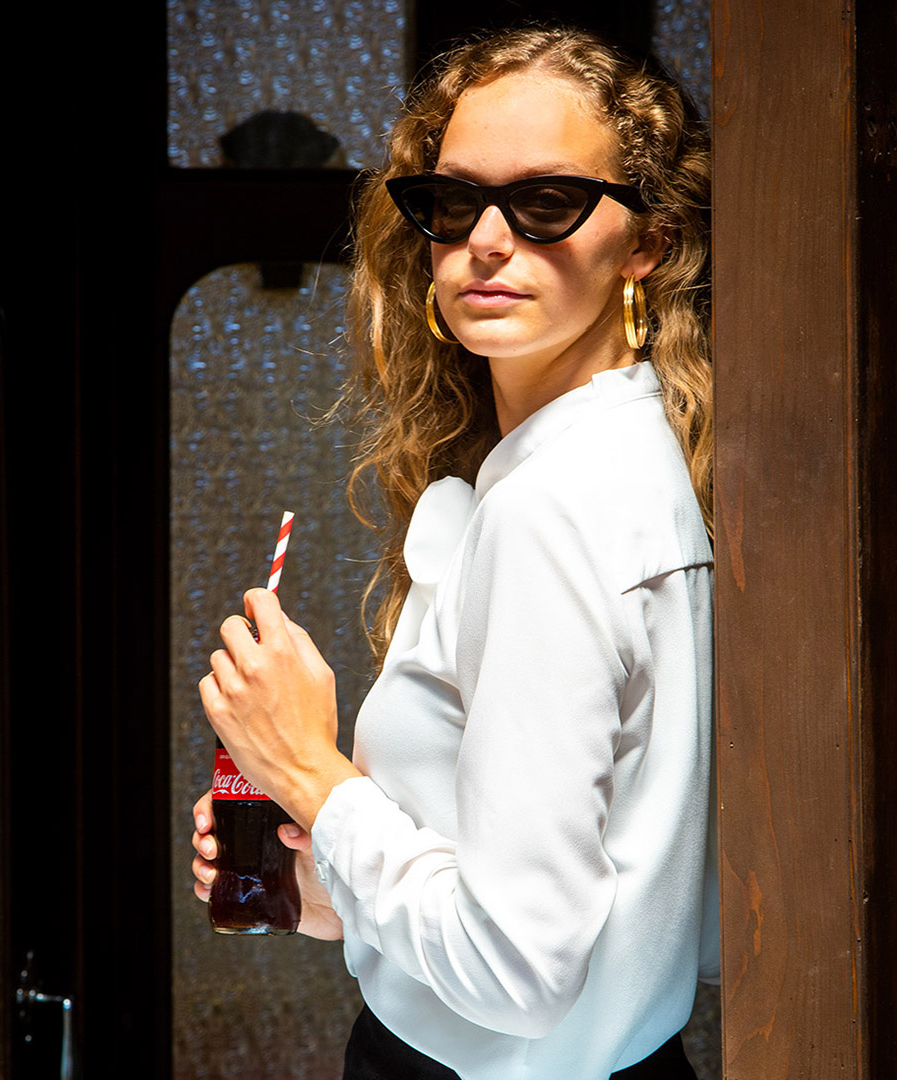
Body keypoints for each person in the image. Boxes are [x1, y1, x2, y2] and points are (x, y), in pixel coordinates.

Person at [192, 24, 718, 1080]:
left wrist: (307, 770)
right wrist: (326, 882)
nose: (486, 239)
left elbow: (517, 975)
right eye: (452, 201)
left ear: (647, 243)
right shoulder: (638, 462)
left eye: (546, 202)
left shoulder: (549, 511)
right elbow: (626, 914)